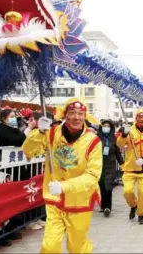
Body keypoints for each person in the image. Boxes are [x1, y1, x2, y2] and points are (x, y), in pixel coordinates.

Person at [22, 98, 102, 253]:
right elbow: (28, 151)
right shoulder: (51, 133)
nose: (76, 117)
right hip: (55, 201)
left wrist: (64, 186)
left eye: (80, 114)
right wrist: (38, 132)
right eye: (72, 113)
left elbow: (92, 176)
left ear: (85, 116)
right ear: (65, 115)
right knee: (49, 247)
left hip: (80, 201)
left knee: (76, 248)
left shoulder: (93, 141)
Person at [117, 109, 143, 224]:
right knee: (127, 191)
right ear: (136, 119)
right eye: (139, 117)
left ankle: (141, 214)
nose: (141, 119)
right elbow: (120, 145)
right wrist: (124, 134)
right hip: (130, 168)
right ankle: (133, 205)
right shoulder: (129, 130)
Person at [98, 119, 123, 217]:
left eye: (108, 126)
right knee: (102, 186)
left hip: (111, 166)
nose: (106, 128)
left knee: (108, 186)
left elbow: (118, 153)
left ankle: (108, 207)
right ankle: (103, 205)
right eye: (104, 126)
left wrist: (122, 164)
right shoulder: (96, 138)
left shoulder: (114, 139)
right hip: (99, 166)